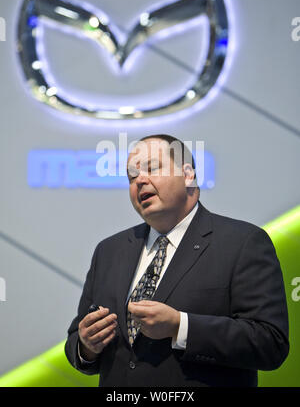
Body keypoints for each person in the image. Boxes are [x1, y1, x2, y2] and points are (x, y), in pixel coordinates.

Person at [65, 134, 289, 387]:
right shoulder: (109, 251)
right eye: (131, 177)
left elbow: (270, 343)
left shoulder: (243, 242)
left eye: (151, 168)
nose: (140, 180)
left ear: (188, 174)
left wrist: (181, 327)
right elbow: (76, 342)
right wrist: (86, 346)